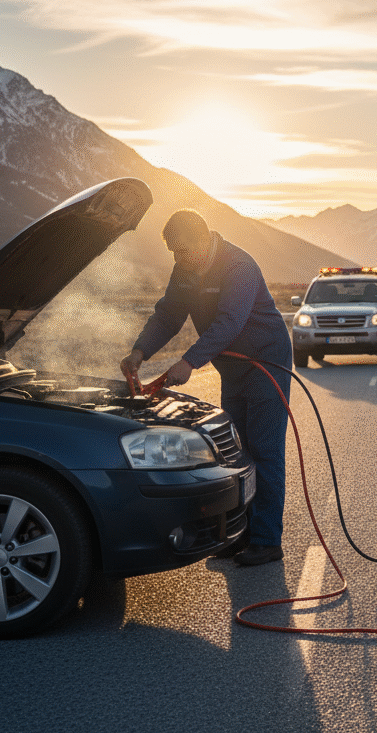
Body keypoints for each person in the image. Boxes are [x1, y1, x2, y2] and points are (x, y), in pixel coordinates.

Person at [120, 209, 292, 566]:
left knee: (263, 449)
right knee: (236, 452)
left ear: (203, 239)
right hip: (232, 368)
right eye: (173, 253)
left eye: (183, 250)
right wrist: (140, 351)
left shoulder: (238, 266)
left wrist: (189, 362)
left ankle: (266, 540)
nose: (178, 259)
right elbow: (169, 313)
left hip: (266, 364)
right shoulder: (185, 268)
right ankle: (238, 534)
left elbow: (229, 322)